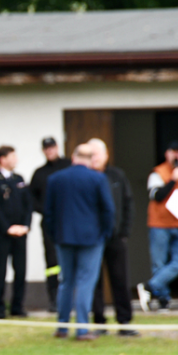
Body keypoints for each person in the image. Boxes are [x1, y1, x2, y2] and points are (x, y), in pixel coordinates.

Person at [44, 144, 115, 340]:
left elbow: (48, 212)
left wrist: (54, 234)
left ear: (73, 157)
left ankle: (62, 327)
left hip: (63, 237)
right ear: (91, 159)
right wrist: (105, 233)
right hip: (91, 238)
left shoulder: (56, 179)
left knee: (66, 282)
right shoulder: (98, 178)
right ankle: (82, 329)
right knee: (85, 282)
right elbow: (108, 210)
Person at [138, 140, 178, 312]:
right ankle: (164, 299)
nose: (176, 155)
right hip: (159, 224)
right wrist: (173, 180)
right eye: (173, 152)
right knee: (159, 263)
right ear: (167, 154)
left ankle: (149, 286)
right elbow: (156, 196)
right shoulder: (157, 172)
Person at [88, 139, 139, 337]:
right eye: (90, 154)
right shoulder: (87, 177)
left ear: (106, 155)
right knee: (95, 281)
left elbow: (128, 204)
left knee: (120, 279)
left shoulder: (117, 175)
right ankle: (99, 322)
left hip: (116, 238)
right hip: (92, 239)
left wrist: (124, 232)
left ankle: (124, 321)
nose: (94, 158)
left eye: (97, 153)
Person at [0, 145, 32, 319]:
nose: (16, 159)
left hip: (20, 233)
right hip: (1, 234)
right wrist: (7, 228)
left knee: (20, 270)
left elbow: (28, 205)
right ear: (2, 159)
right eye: (13, 156)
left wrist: (25, 226)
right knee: (0, 270)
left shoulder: (19, 179)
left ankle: (17, 306)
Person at [30, 136, 71, 312]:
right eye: (46, 148)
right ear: (43, 150)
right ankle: (54, 299)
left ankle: (70, 297)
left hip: (69, 221)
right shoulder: (39, 173)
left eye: (52, 147)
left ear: (57, 147)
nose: (50, 151)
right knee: (52, 261)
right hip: (49, 223)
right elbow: (31, 198)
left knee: (70, 257)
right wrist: (46, 210)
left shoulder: (69, 166)